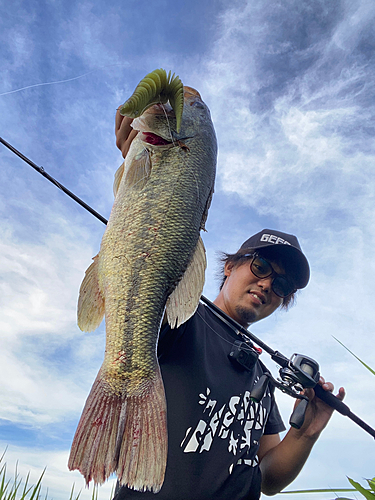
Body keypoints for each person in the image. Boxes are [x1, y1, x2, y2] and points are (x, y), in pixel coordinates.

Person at [113, 111, 345, 500]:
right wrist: (144, 172)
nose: (268, 283)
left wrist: (305, 433)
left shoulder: (259, 374)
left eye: (283, 284)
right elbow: (147, 260)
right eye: (261, 266)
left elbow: (268, 477)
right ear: (230, 265)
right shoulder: (181, 316)